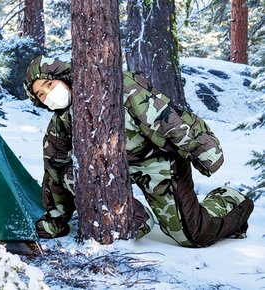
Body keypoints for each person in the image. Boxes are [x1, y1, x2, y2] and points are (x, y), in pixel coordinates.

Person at [24, 55, 254, 247]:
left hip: (157, 159)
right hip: (113, 168)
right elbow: (54, 172)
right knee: (70, 174)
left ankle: (232, 200)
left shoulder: (119, 87)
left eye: (49, 84)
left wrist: (204, 151)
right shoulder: (59, 126)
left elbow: (166, 120)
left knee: (194, 235)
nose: (48, 95)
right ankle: (134, 218)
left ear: (63, 77)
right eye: (41, 95)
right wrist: (55, 222)